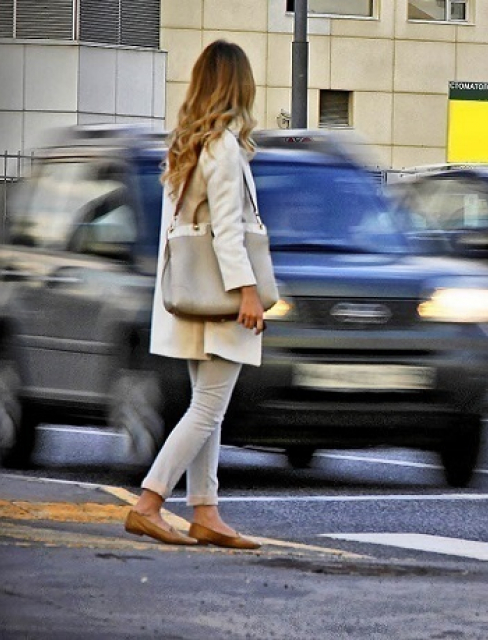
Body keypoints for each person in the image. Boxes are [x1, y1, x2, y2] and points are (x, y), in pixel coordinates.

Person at [124, 40, 266, 549]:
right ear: (238, 85)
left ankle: (205, 510)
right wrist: (248, 291)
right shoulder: (223, 148)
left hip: (192, 294)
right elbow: (228, 231)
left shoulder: (188, 142)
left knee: (207, 406)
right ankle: (149, 502)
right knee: (208, 407)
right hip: (221, 296)